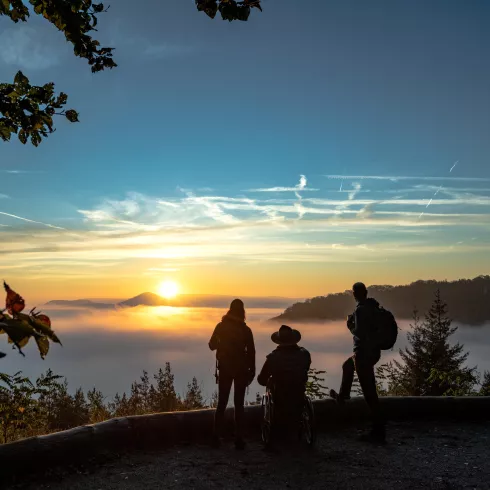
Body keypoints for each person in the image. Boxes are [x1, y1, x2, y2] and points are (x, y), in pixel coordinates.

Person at [329, 282, 386, 443]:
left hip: (363, 354)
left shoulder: (361, 310)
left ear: (354, 294)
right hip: (374, 352)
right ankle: (343, 396)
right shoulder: (374, 307)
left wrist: (350, 326)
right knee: (347, 366)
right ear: (366, 292)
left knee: (369, 393)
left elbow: (359, 333)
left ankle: (378, 431)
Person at [209, 299, 255, 449]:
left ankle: (216, 437)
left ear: (229, 310)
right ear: (242, 311)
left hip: (224, 368)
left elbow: (211, 346)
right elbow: (251, 352)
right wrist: (252, 371)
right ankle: (239, 439)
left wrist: (220, 341)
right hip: (241, 369)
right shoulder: (246, 330)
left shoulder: (221, 326)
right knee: (239, 404)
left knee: (221, 402)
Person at [257, 325, 311, 440]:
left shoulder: (273, 357)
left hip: (280, 395)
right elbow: (305, 369)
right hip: (298, 392)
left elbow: (262, 379)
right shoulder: (304, 354)